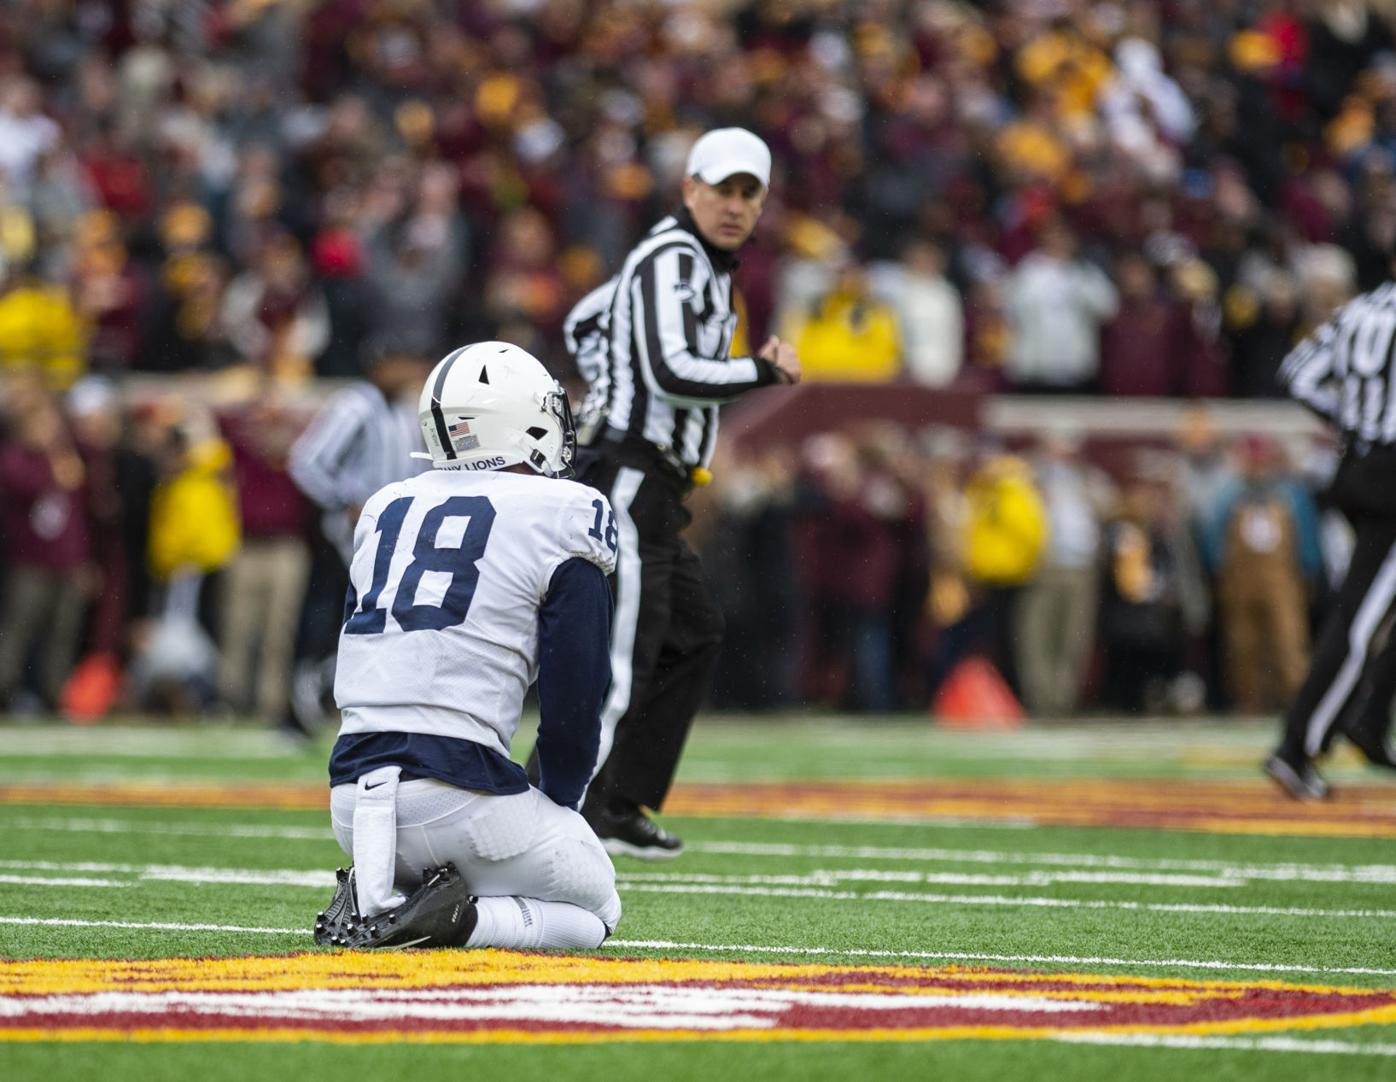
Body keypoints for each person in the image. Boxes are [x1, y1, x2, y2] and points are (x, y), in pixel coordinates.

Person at [314, 341, 622, 951]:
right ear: (525, 424)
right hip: (462, 797)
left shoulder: (386, 505)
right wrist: (557, 802)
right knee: (598, 907)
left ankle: (387, 898)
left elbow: (359, 641)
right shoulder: (565, 510)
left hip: (351, 802)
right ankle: (459, 920)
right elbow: (576, 697)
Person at [552, 127, 801, 858]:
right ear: (689, 188)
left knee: (694, 633)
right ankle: (554, 813)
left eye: (748, 193)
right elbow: (670, 370)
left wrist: (611, 378)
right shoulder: (671, 256)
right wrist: (759, 370)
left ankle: (617, 800)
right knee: (624, 658)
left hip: (658, 484)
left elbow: (587, 320)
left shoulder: (695, 265)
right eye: (721, 189)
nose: (733, 205)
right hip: (630, 472)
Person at [1264, 277, 1396, 799]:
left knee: (1362, 609)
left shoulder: (1361, 309)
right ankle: (1297, 746)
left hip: (1358, 465)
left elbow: (1296, 375)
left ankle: (1370, 716)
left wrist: (1354, 422)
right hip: (1392, 476)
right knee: (1359, 621)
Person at [282, 340, 432, 738]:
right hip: (344, 537)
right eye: (401, 362)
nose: (409, 371)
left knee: (369, 622)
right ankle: (294, 710)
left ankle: (342, 702)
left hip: (391, 537)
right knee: (324, 618)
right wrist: (344, 500)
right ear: (380, 365)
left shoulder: (405, 409)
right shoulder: (355, 405)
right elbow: (306, 461)